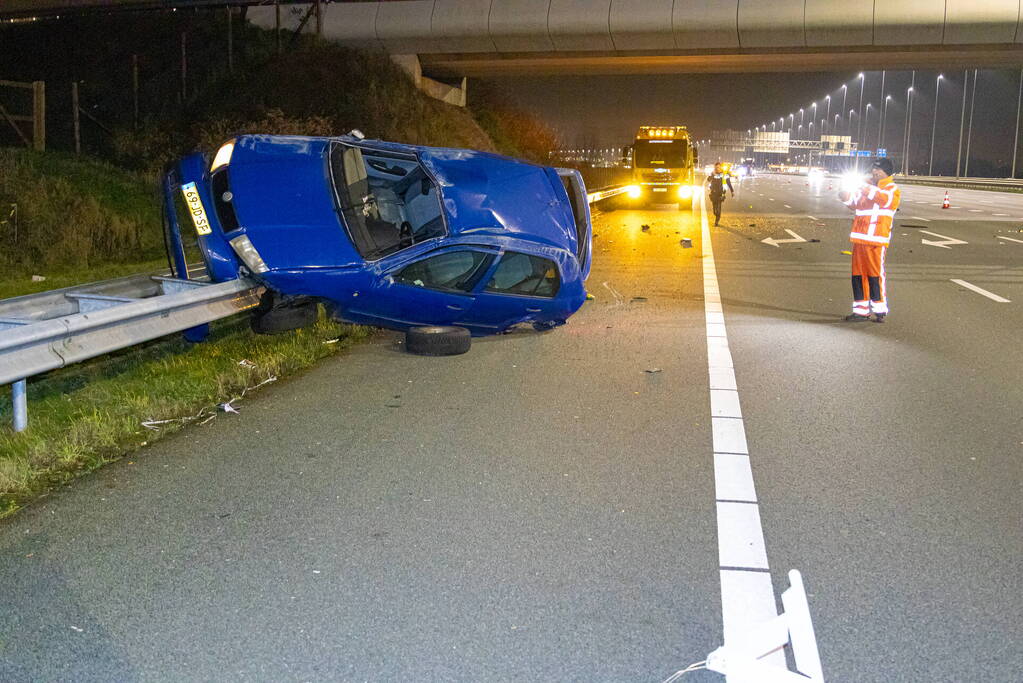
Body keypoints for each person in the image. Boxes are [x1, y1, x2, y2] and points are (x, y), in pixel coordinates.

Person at [837, 158, 900, 322]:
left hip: (876, 240)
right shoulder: (866, 187)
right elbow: (854, 204)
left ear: (885, 172)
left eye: (877, 170)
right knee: (858, 276)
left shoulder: (891, 189)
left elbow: (883, 199)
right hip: (859, 238)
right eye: (873, 169)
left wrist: (864, 186)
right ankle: (861, 310)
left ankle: (880, 310)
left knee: (875, 275)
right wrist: (844, 194)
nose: (874, 172)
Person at [705, 162, 734, 226]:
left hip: (721, 193)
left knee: (718, 208)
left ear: (720, 167)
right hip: (713, 193)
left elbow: (729, 183)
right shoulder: (713, 173)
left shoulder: (724, 174)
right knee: (714, 210)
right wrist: (712, 175)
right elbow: (708, 180)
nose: (717, 168)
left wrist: (732, 191)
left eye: (718, 167)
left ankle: (716, 221)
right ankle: (716, 215)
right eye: (716, 167)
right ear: (715, 167)